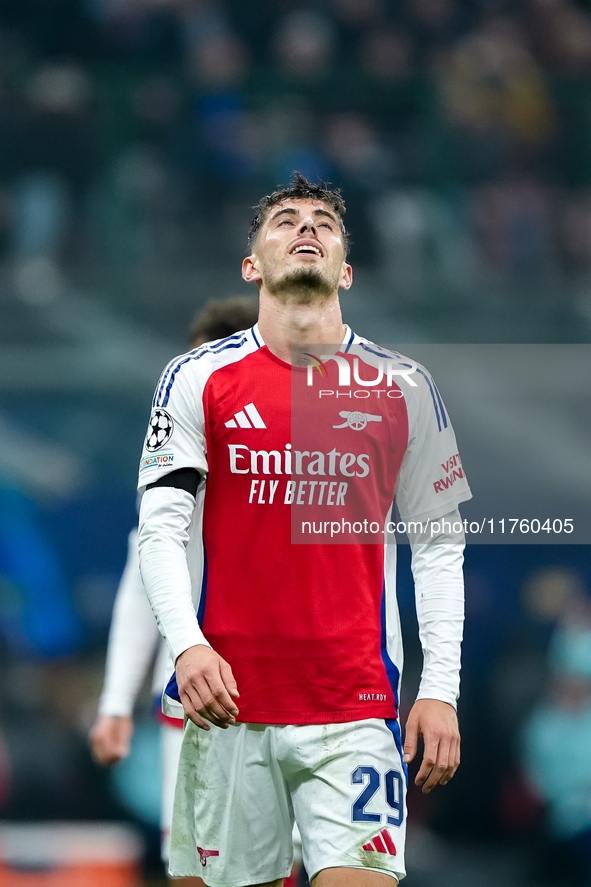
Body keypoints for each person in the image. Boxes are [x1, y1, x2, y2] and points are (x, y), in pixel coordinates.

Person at [137, 172, 471, 886]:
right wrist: (188, 648)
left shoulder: (401, 385)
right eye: (284, 220)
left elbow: (439, 546)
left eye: (323, 221)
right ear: (252, 265)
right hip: (229, 703)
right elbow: (159, 531)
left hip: (353, 704)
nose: (306, 228)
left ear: (344, 269)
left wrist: (438, 687)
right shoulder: (196, 378)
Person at [89, 296, 259, 877]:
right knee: (190, 864)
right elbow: (141, 591)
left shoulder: (300, 476)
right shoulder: (171, 478)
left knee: (277, 862)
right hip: (187, 700)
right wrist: (115, 702)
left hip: (283, 694)